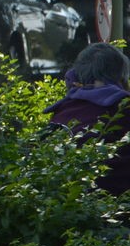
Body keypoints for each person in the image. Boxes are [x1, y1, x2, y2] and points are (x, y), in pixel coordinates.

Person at [48, 42, 130, 195]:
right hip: (114, 200)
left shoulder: (62, 110)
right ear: (120, 77)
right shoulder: (123, 107)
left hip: (66, 197)